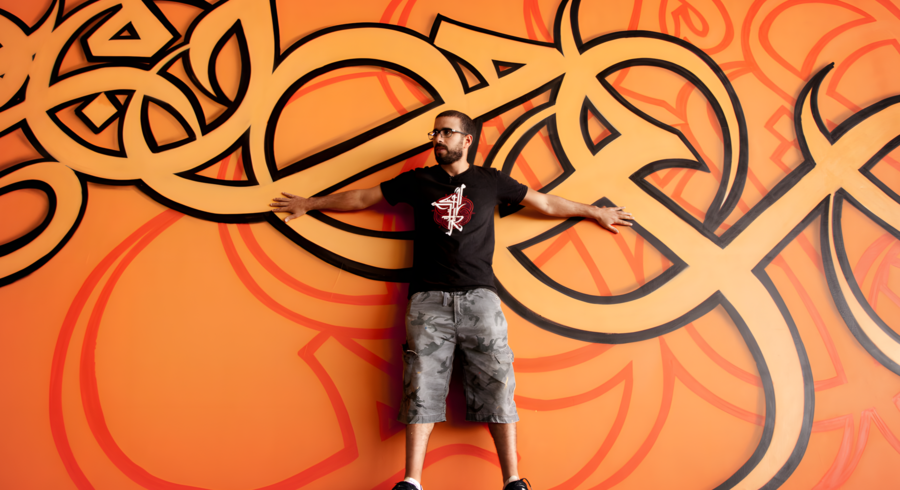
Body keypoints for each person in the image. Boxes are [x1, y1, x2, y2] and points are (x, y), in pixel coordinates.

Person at [270, 110, 633, 490]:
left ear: (467, 140)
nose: (438, 139)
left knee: (498, 382)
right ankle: (411, 481)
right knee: (420, 384)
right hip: (428, 302)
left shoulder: (490, 181)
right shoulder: (418, 181)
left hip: (480, 299)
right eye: (435, 133)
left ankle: (512, 481)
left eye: (446, 132)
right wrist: (310, 203)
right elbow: (363, 197)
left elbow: (544, 204)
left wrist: (595, 212)